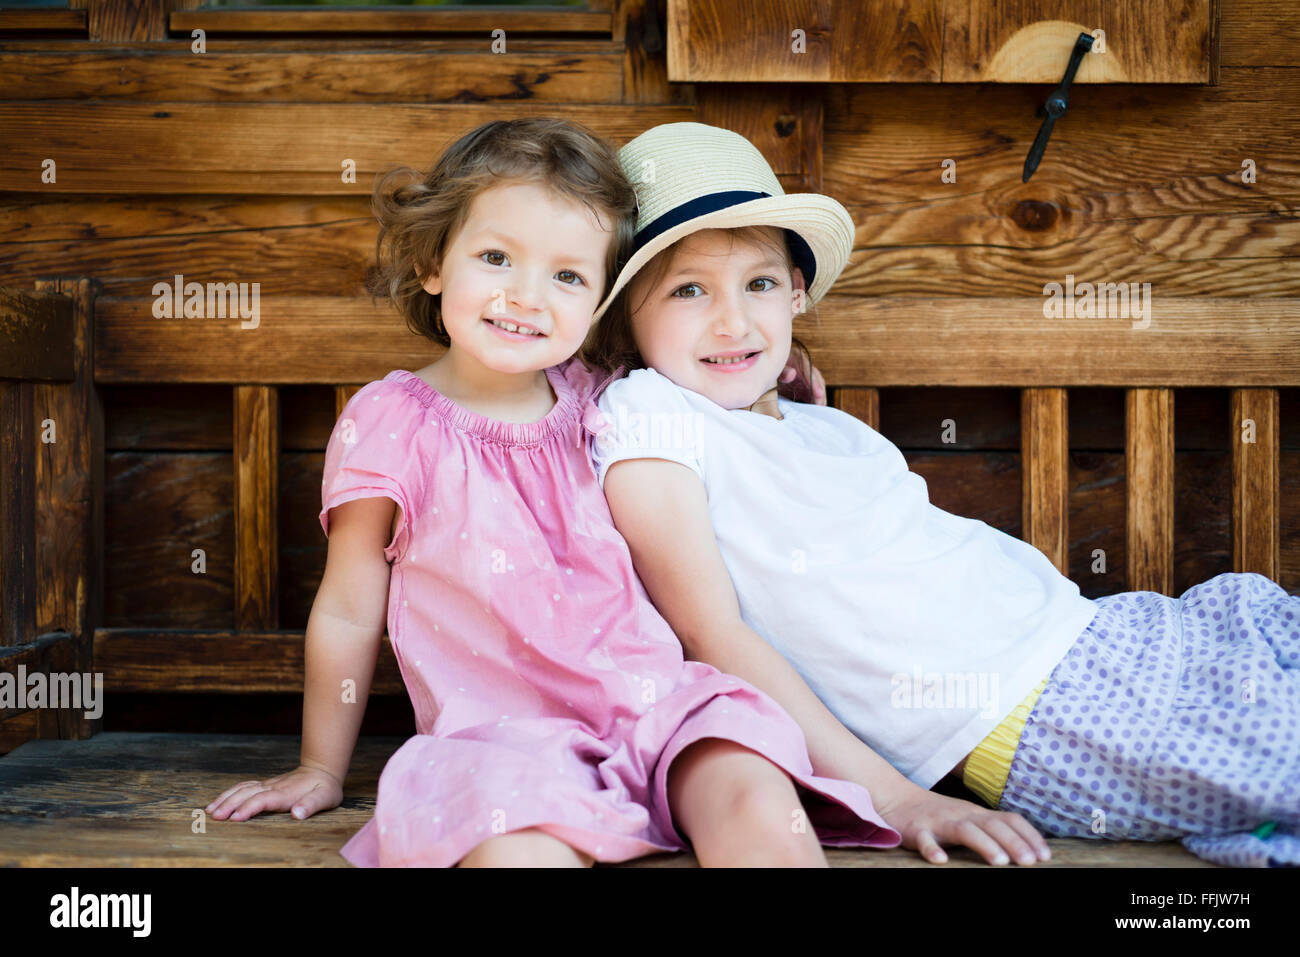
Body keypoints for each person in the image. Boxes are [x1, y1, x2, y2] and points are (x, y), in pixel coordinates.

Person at [586, 121, 1300, 867]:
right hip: (1026, 715)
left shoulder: (826, 428)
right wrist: (895, 796)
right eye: (687, 289)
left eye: (759, 283)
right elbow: (715, 636)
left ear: (796, 296)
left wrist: (771, 382)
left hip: (1108, 633)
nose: (734, 319)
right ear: (626, 322)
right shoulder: (650, 415)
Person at [204, 117, 904, 867]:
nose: (527, 296)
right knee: (513, 848)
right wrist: (321, 767)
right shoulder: (393, 424)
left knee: (752, 787)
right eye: (497, 256)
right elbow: (347, 609)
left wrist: (774, 374)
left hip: (657, 708)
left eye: (568, 276)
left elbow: (715, 367)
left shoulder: (613, 400)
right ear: (434, 262)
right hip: (500, 738)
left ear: (602, 301)